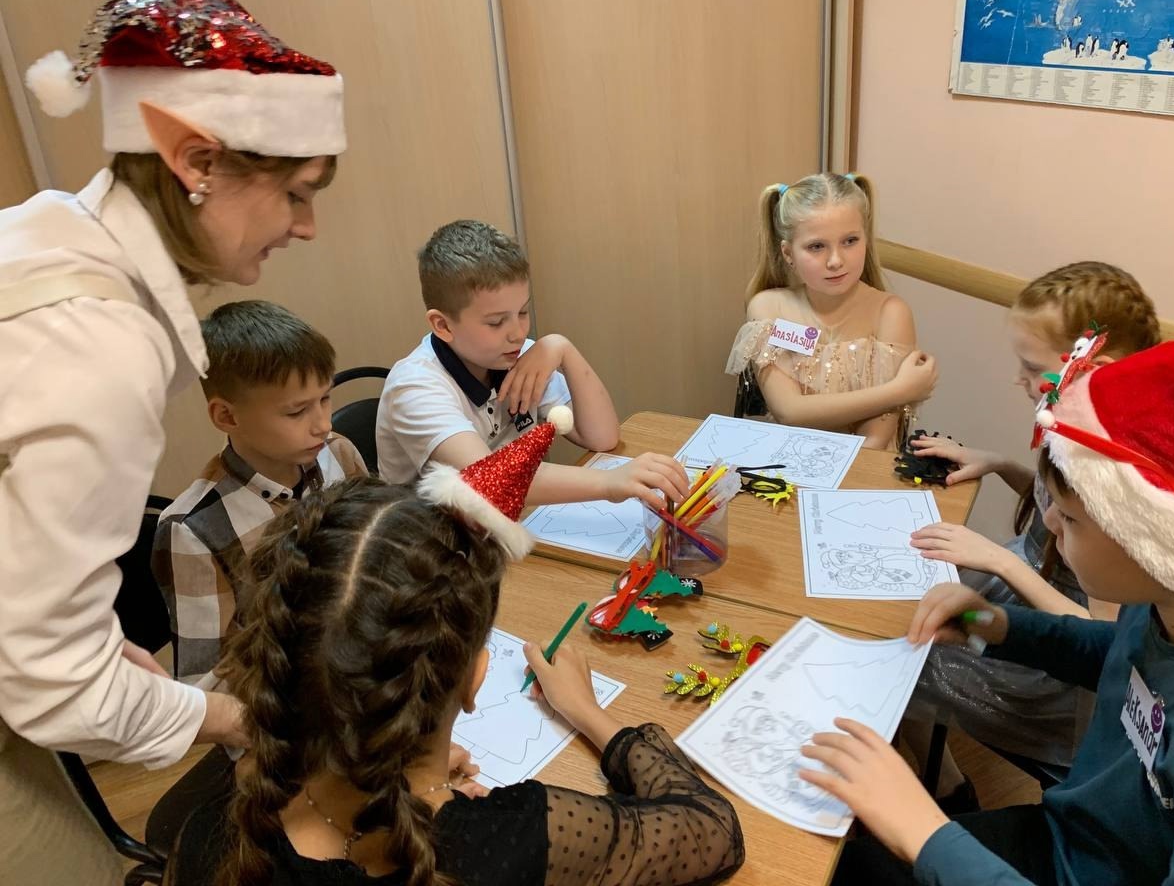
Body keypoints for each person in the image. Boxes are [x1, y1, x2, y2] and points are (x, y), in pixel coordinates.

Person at [0, 0, 345, 883]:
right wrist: (229, 717)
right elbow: (52, 684)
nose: (306, 227)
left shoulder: (49, 230)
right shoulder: (99, 347)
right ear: (196, 161)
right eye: (296, 194)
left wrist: (98, 643)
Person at [168, 412, 745, 885]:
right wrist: (587, 712)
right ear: (475, 678)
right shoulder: (503, 841)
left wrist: (401, 778)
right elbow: (712, 830)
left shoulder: (210, 838)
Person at [805, 335, 1174, 885]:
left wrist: (925, 833)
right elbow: (1115, 653)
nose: (1049, 523)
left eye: (1070, 517)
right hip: (1066, 840)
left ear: (1165, 544)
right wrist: (993, 627)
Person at [901, 262, 1161, 806]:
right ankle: (941, 780)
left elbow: (1100, 637)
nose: (1018, 380)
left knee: (906, 657)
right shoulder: (1073, 422)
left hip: (1062, 665)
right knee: (907, 612)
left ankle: (949, 791)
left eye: (1030, 366)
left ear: (1092, 369)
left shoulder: (1117, 478)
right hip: (1027, 587)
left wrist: (1000, 562)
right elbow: (1055, 508)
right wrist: (999, 464)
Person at [146, 301, 367, 850]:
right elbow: (207, 686)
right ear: (226, 416)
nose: (323, 423)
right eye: (296, 412)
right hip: (290, 731)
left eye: (325, 398)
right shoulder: (195, 530)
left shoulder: (338, 456)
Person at [376, 219, 688, 508]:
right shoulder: (414, 387)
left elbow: (601, 437)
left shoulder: (516, 354)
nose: (518, 333)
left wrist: (563, 349)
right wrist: (608, 482)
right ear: (443, 326)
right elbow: (494, 479)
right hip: (433, 538)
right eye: (496, 322)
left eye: (523, 312)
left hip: (506, 520)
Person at [726, 171, 936, 449]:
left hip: (864, 466)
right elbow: (789, 411)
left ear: (866, 239)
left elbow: (875, 440)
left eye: (850, 241)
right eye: (816, 246)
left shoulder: (890, 312)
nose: (836, 261)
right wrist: (900, 391)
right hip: (785, 461)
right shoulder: (767, 306)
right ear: (788, 253)